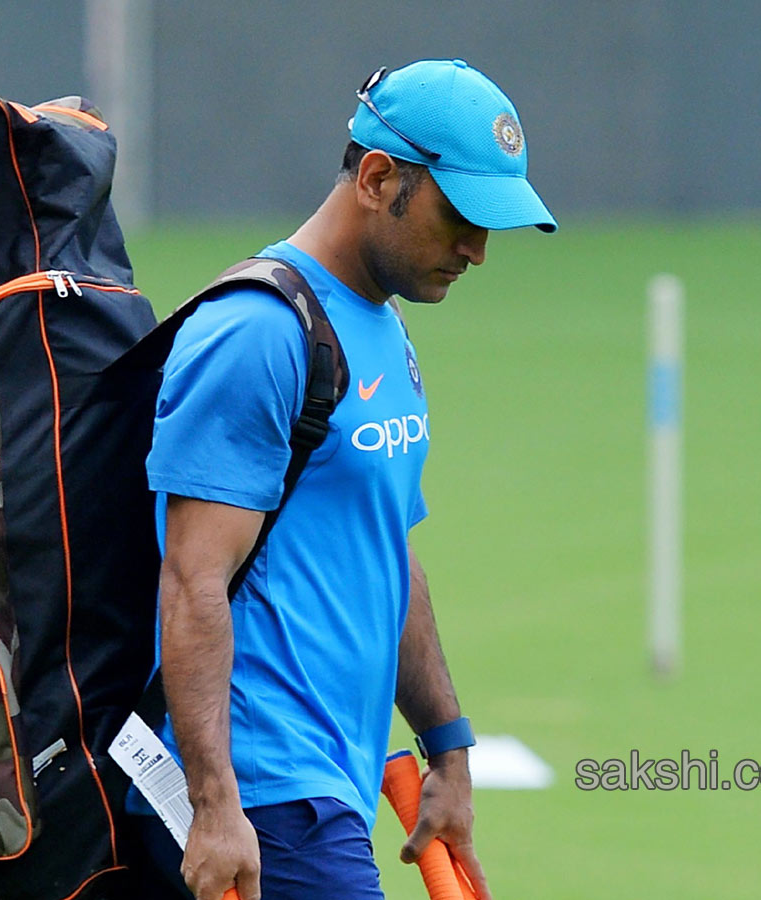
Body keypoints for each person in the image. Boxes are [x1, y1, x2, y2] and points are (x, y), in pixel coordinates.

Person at [128, 58, 556, 900]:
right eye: (460, 215)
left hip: (327, 789)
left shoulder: (381, 326)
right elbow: (192, 581)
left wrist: (449, 747)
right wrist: (216, 807)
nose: (476, 249)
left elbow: (385, 549)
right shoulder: (256, 334)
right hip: (264, 797)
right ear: (376, 178)